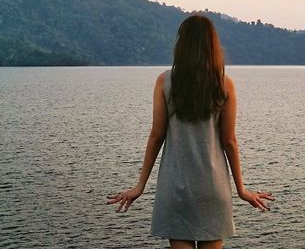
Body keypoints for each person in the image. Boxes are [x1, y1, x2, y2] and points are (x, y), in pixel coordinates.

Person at [107, 13, 274, 248]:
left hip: (176, 188)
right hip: (212, 188)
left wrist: (140, 186)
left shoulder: (164, 82)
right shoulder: (224, 84)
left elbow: (156, 137)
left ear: (181, 45)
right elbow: (229, 141)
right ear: (212, 45)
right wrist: (241, 188)